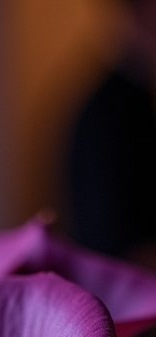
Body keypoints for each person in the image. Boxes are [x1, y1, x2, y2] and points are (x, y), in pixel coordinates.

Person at [64, 0, 156, 264]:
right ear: (138, 15)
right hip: (124, 295)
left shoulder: (136, 102)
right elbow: (109, 243)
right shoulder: (107, 114)